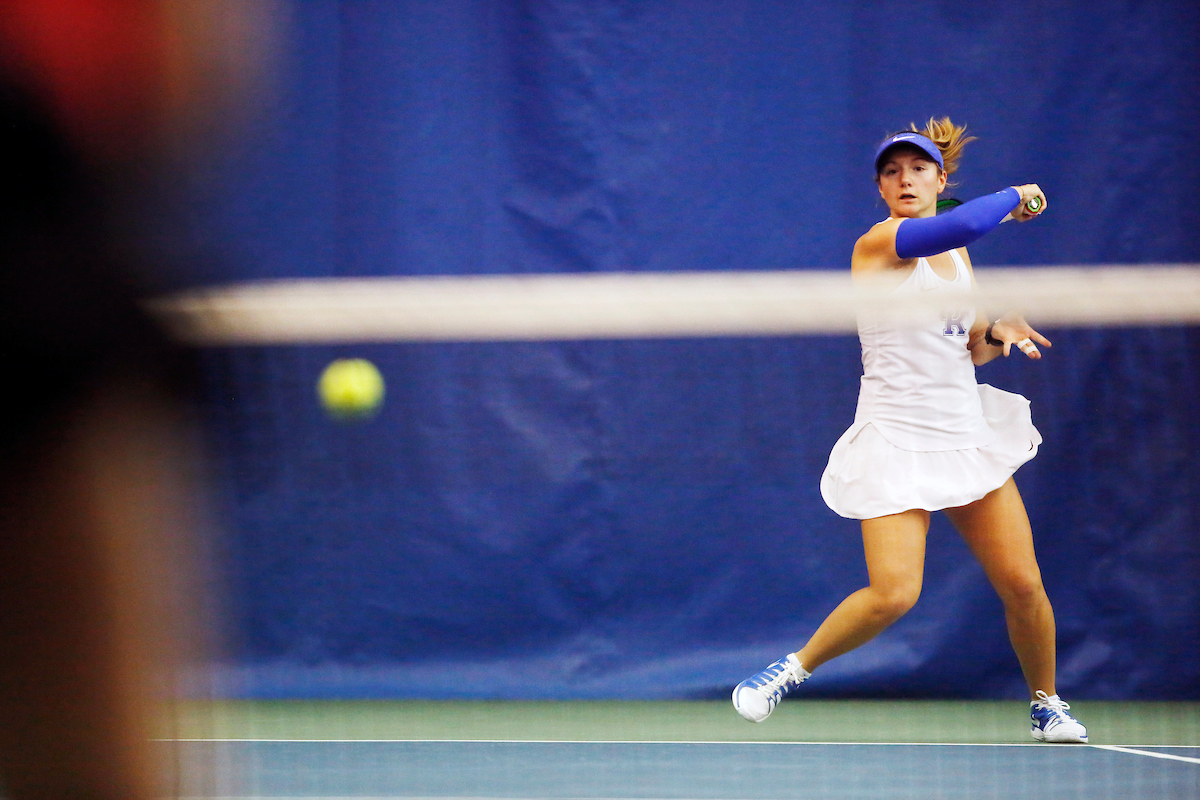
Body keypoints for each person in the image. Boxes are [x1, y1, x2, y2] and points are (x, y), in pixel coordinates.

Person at [731, 118, 1088, 744]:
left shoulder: (957, 256)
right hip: (896, 439)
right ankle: (789, 671)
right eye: (892, 172)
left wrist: (1000, 332)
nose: (905, 179)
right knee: (894, 593)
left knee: (1024, 583)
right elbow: (964, 221)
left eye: (919, 169)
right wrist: (1016, 196)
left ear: (939, 178)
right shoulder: (882, 242)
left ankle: (1046, 704)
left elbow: (971, 347)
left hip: (964, 434)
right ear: (881, 189)